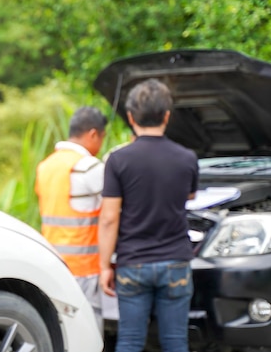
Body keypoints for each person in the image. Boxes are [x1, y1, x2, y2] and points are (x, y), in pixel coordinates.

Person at [98, 78, 198, 352]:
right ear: (167, 115)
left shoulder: (118, 161)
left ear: (130, 117)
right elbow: (189, 196)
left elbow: (108, 218)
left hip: (133, 263)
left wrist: (105, 265)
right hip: (176, 261)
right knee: (176, 342)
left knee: (130, 341)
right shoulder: (187, 157)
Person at [35, 106, 108, 334]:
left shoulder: (46, 165)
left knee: (63, 330)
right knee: (88, 330)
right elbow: (114, 211)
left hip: (54, 262)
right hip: (85, 266)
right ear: (93, 134)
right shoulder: (89, 167)